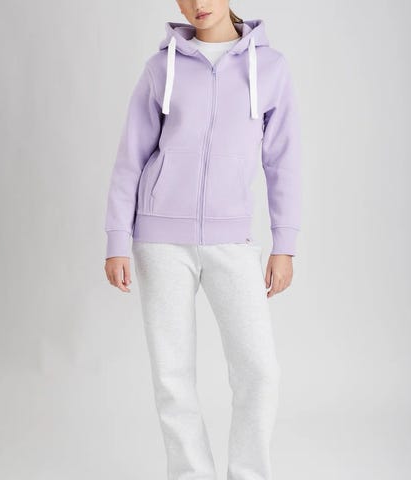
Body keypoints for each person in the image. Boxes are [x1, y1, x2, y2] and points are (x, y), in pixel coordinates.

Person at [104, 1, 302, 479]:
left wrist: (284, 244)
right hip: (158, 240)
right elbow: (131, 157)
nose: (197, 4)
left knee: (259, 372)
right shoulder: (161, 68)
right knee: (172, 376)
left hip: (231, 239)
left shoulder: (270, 67)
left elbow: (283, 160)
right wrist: (117, 239)